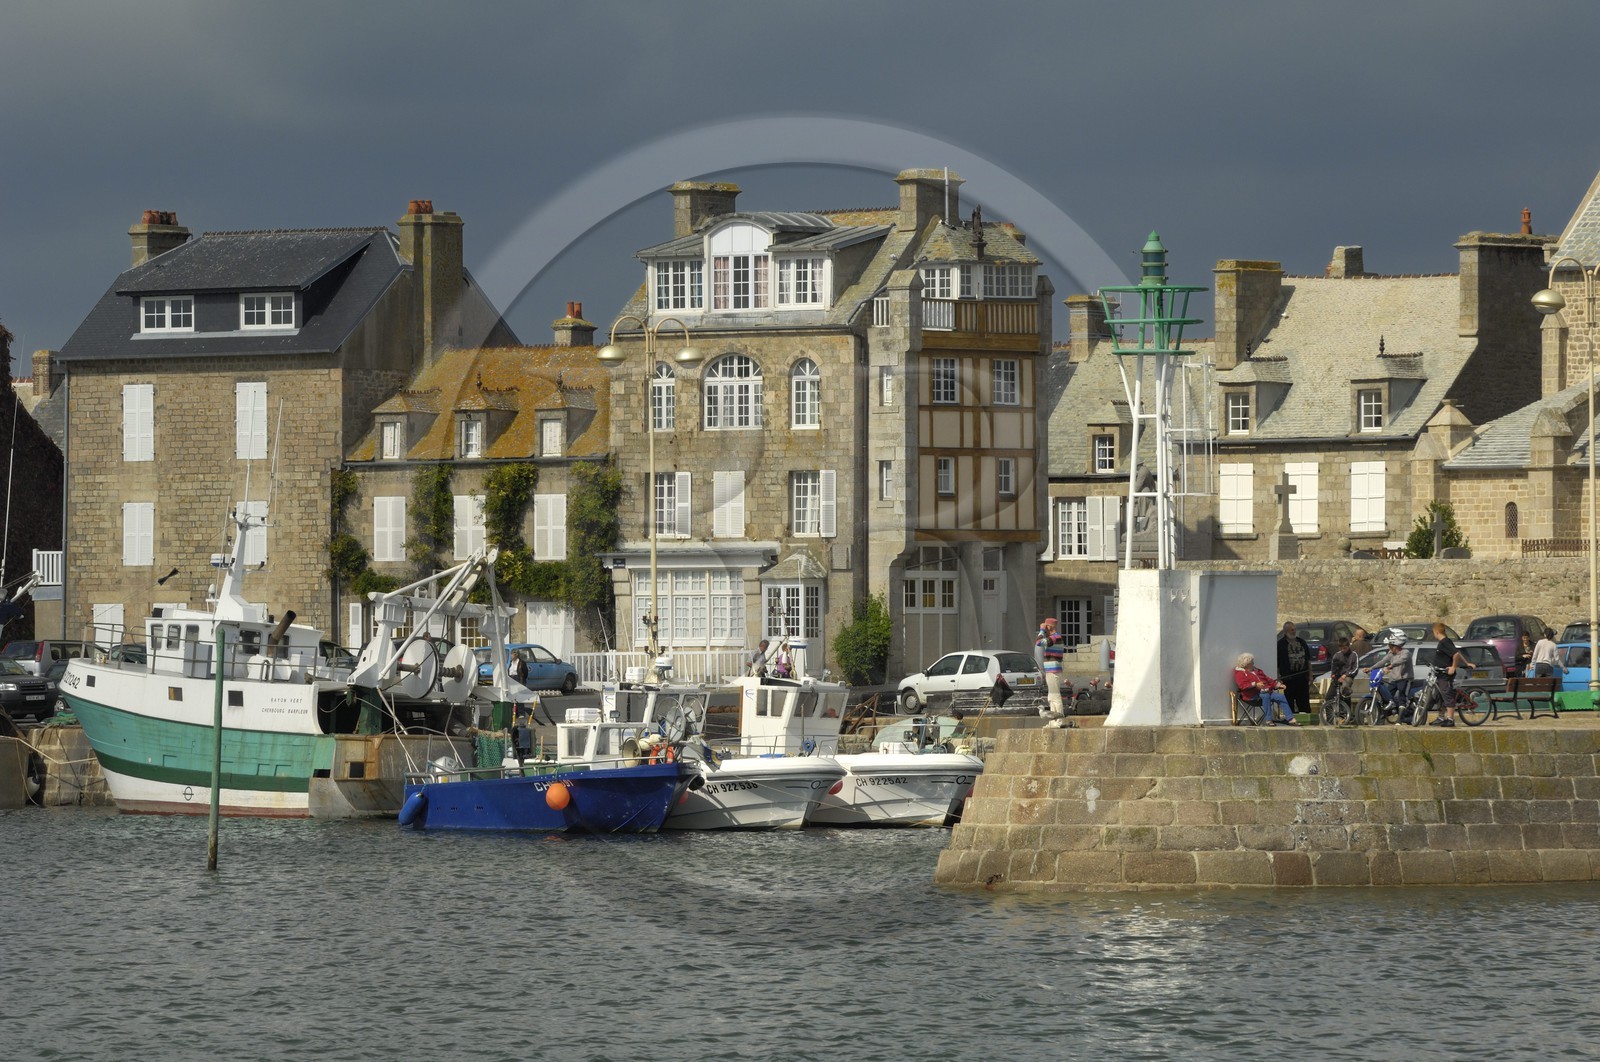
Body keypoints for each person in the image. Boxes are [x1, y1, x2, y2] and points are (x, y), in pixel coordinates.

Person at [1233, 652, 1297, 725]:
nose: (1253, 663)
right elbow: (1242, 686)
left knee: (1280, 697)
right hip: (1252, 696)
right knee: (1265, 696)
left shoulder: (1258, 671)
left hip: (1265, 691)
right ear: (1247, 663)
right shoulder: (1240, 673)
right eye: (1252, 662)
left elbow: (1267, 679)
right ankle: (1269, 720)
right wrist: (1255, 684)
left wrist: (1278, 685)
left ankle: (1290, 718)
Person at [1425, 621, 1467, 727]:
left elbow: (1456, 654)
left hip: (1445, 674)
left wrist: (1453, 666)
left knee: (1447, 694)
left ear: (1437, 631)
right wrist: (1467, 662)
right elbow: (1456, 652)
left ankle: (1450, 719)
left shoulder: (1445, 641)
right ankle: (1440, 717)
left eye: (1433, 632)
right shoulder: (1443, 642)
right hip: (1439, 673)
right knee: (1439, 696)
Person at [1276, 622, 1312, 719]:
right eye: (1292, 630)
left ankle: (1306, 719)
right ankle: (1291, 719)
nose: (1294, 631)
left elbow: (1308, 660)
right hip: (1288, 678)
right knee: (1289, 700)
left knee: (1303, 700)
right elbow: (1278, 663)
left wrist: (1310, 675)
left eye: (1294, 629)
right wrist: (1278, 676)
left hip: (1302, 677)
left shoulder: (1302, 642)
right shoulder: (1280, 645)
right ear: (1286, 631)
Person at [1036, 617, 1069, 720]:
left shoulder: (1055, 638)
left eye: (1046, 625)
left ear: (1050, 626)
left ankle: (1060, 719)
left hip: (1053, 671)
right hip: (1051, 671)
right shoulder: (1054, 638)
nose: (1045, 627)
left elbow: (1038, 643)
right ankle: (1054, 719)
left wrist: (1041, 630)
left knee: (1055, 696)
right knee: (1051, 697)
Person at [1376, 634, 1413, 720]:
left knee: (1402, 698)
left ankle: (1400, 719)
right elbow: (1382, 662)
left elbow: (1400, 661)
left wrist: (1391, 665)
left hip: (1404, 679)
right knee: (1388, 695)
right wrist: (1370, 668)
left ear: (1395, 646)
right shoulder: (1390, 653)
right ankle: (1389, 711)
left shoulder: (1406, 653)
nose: (1389, 648)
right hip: (1395, 679)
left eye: (1390, 646)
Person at [1326, 635, 1360, 714]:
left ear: (1348, 646)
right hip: (1338, 677)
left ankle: (1345, 714)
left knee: (1344, 691)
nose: (1343, 650)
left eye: (1345, 648)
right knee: (1329, 697)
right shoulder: (1337, 656)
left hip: (1348, 677)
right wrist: (1333, 675)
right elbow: (1333, 668)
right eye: (1341, 648)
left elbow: (1355, 669)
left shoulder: (1354, 655)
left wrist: (1346, 675)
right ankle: (1329, 718)